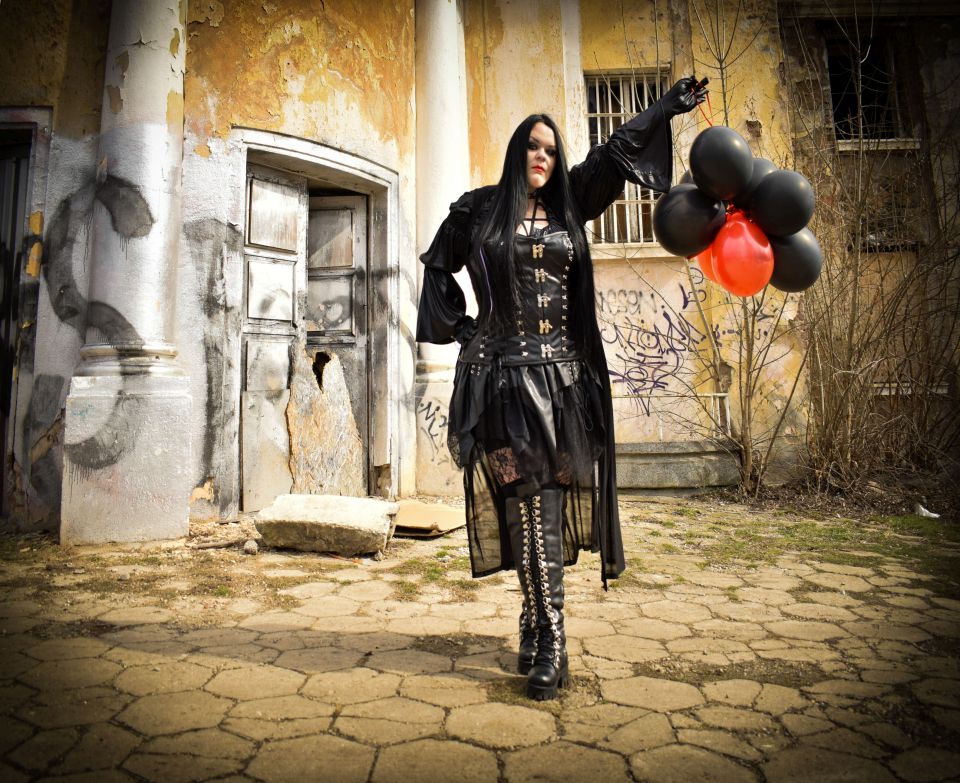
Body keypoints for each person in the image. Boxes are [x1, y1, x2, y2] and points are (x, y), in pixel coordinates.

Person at [416, 76, 708, 700]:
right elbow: (437, 270)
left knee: (543, 500)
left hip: (562, 386)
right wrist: (466, 331)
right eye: (533, 146)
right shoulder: (477, 211)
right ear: (516, 151)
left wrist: (664, 107)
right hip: (499, 387)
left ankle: (549, 636)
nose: (542, 156)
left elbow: (616, 151)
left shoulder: (572, 205)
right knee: (523, 503)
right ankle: (540, 624)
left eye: (551, 149)